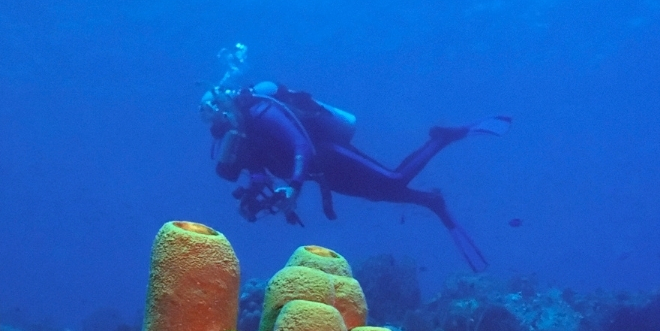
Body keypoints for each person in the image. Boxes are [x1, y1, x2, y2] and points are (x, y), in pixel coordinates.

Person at [200, 44, 510, 271]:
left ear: (226, 111)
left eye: (220, 123)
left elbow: (301, 147)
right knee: (381, 194)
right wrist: (256, 199)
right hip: (323, 175)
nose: (224, 134)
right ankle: (431, 201)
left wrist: (293, 188)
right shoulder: (248, 140)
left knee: (393, 179)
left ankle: (442, 138)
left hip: (328, 154)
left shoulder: (261, 111)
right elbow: (258, 175)